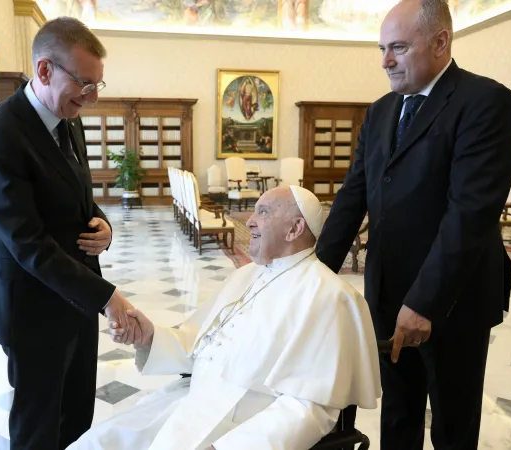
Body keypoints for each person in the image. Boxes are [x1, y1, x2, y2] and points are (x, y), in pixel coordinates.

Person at [315, 1, 511, 449]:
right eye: (383, 49)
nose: (386, 60)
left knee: (452, 423)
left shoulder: (486, 102)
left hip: (453, 301)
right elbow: (353, 196)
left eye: (399, 48)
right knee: (398, 411)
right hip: (387, 294)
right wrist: (311, 275)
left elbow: (469, 213)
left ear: (441, 42)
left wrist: (425, 302)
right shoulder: (381, 110)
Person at [69, 186, 382, 450]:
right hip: (191, 399)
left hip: (242, 424)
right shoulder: (246, 275)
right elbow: (199, 344)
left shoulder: (330, 296)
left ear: (295, 228)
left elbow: (309, 409)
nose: (250, 221)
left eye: (263, 212)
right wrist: (149, 337)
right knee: (93, 443)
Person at [0, 17, 139, 450]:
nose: (93, 97)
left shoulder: (70, 117)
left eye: (98, 84)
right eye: (85, 83)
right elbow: (27, 243)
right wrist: (106, 295)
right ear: (44, 70)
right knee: (37, 427)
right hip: (33, 311)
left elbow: (76, 194)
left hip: (75, 302)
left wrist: (101, 223)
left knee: (77, 415)